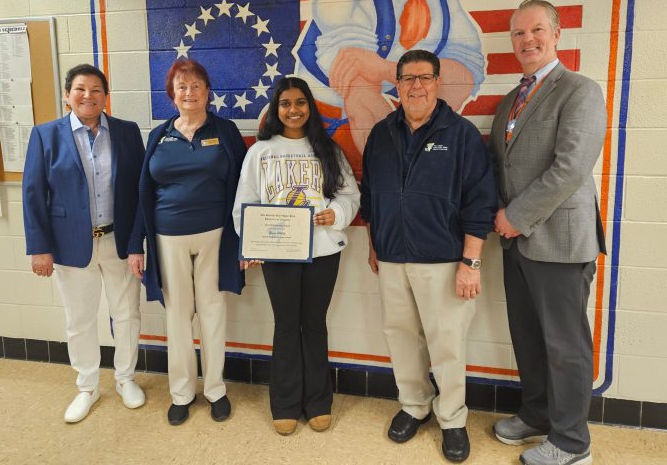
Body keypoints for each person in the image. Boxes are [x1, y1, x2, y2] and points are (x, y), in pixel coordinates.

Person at [360, 49, 497, 462]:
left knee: (447, 343)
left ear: (437, 82)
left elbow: (480, 203)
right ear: (397, 85)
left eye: (424, 78)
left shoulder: (461, 135)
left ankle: (452, 419)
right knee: (400, 336)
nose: (416, 86)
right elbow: (371, 198)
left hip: (444, 260)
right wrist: (375, 245)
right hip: (392, 258)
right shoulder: (381, 134)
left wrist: (470, 262)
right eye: (408, 79)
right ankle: (414, 405)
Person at [294, 0, 486, 176]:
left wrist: (385, 70)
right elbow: (361, 100)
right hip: (329, 141)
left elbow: (461, 80)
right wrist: (406, 171)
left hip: (400, 135)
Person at [489, 0, 607, 465]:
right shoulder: (511, 100)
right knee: (529, 338)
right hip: (516, 243)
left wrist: (516, 216)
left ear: (556, 34)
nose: (527, 40)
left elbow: (570, 168)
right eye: (518, 33)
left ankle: (572, 443)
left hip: (559, 241)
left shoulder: (579, 90)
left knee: (565, 345)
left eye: (536, 30)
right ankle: (538, 415)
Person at [233, 77, 360, 436]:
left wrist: (335, 213)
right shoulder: (260, 152)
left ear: (310, 107)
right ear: (276, 109)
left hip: (322, 251)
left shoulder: (328, 150)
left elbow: (350, 196)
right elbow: (244, 204)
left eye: (300, 102)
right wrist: (253, 243)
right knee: (287, 325)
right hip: (279, 254)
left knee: (315, 324)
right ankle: (285, 404)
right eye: (285, 103)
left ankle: (318, 402)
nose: (293, 110)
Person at [22, 63, 146, 423]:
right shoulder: (45, 135)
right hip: (71, 245)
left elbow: (140, 191)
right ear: (67, 95)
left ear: (106, 96)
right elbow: (33, 194)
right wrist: (39, 248)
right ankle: (87, 386)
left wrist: (137, 242)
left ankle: (125, 379)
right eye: (80, 89)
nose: (88, 95)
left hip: (119, 240)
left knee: (126, 314)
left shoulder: (126, 132)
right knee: (79, 319)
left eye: (96, 89)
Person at [133, 58, 246, 426]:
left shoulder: (225, 131)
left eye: (196, 85)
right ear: (172, 94)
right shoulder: (159, 135)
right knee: (179, 317)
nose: (189, 92)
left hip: (216, 237)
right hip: (168, 239)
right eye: (182, 86)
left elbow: (244, 188)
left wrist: (246, 242)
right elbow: (143, 192)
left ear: (207, 91)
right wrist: (136, 245)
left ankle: (215, 390)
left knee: (213, 313)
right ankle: (181, 392)